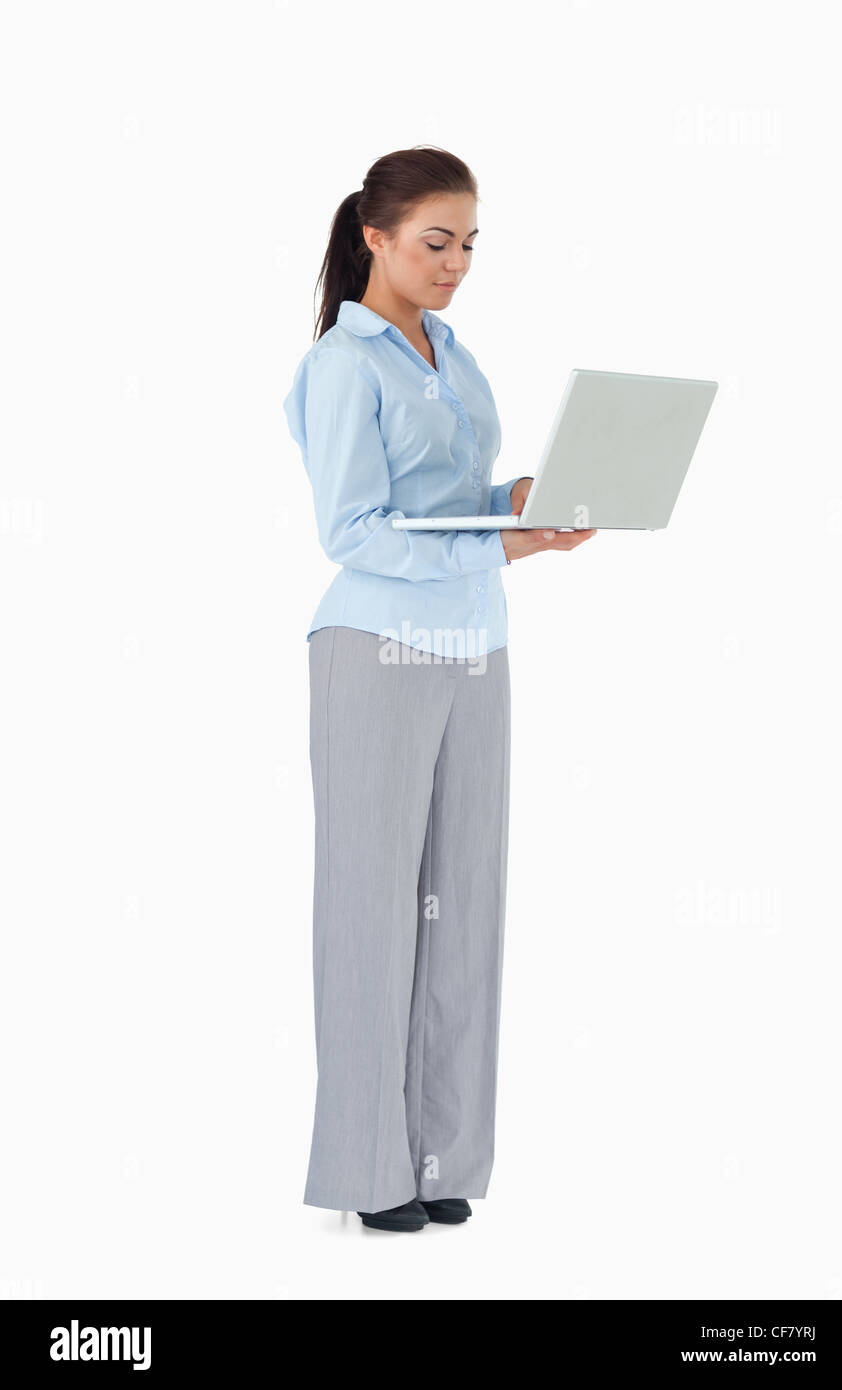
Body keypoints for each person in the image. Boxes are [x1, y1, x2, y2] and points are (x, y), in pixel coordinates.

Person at [283, 145, 595, 1233]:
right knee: (373, 910)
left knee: (463, 903)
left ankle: (439, 1153)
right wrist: (503, 547)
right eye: (434, 242)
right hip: (374, 647)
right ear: (374, 237)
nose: (456, 262)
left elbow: (457, 498)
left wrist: (524, 498)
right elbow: (354, 530)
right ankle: (369, 1169)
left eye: (467, 243)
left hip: (473, 643)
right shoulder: (342, 365)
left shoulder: (454, 357)